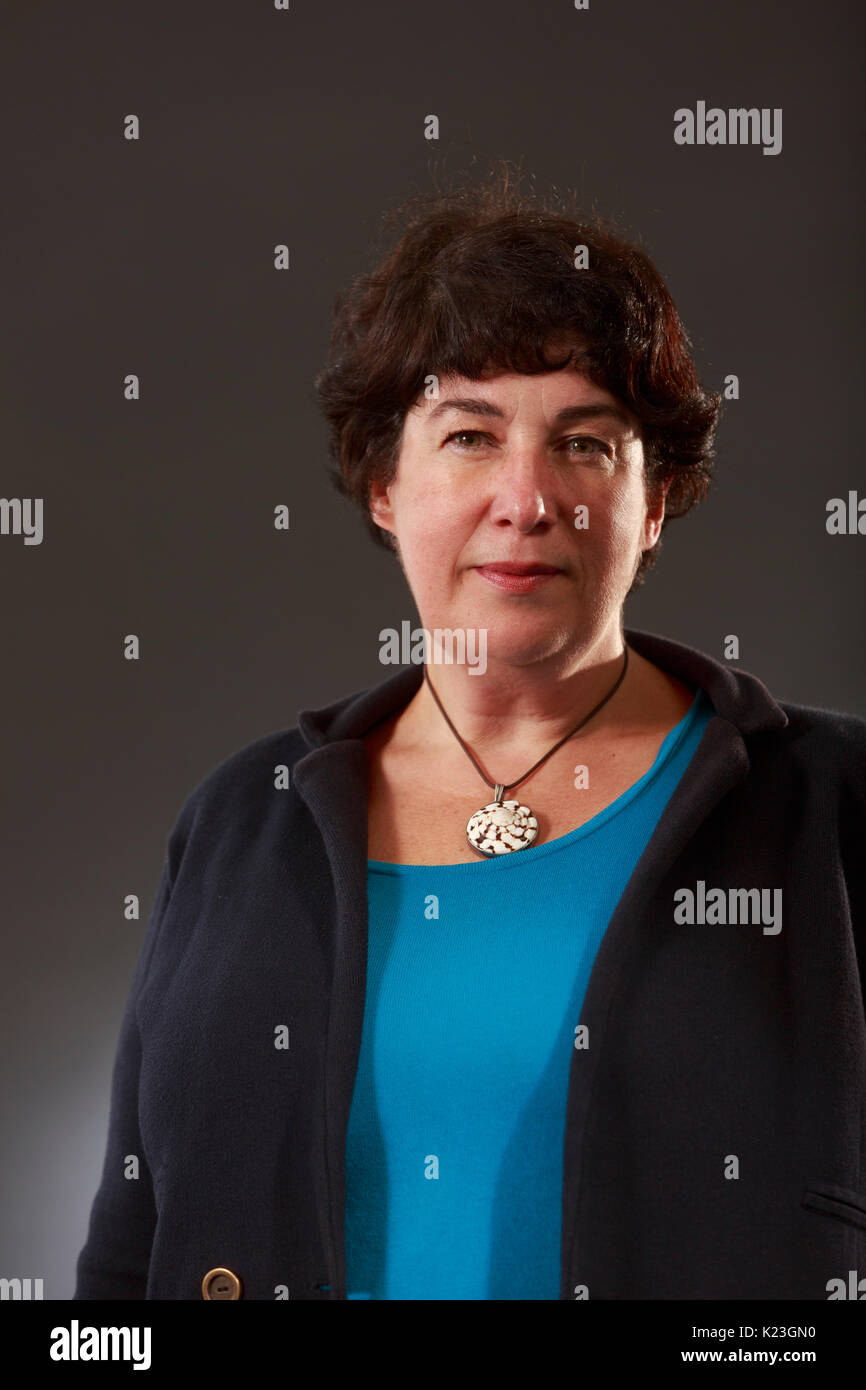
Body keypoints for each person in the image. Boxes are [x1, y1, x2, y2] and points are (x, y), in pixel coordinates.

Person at [74, 167, 866, 1301]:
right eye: (468, 434)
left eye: (585, 442)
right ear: (383, 483)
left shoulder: (831, 805)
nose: (526, 496)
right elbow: (126, 1257)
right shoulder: (242, 819)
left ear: (652, 503)